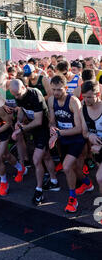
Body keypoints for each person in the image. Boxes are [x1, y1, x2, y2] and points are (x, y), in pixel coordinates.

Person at [10, 79, 58, 206]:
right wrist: (18, 121)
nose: (16, 97)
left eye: (18, 94)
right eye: (14, 95)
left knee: (36, 160)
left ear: (25, 87)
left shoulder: (35, 94)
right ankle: (54, 181)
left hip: (43, 128)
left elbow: (38, 121)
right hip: (35, 129)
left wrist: (20, 129)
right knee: (46, 156)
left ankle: (39, 189)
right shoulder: (18, 95)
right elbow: (21, 109)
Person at [48, 75, 86, 213]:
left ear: (66, 88)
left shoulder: (73, 101)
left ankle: (72, 199)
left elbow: (79, 128)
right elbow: (52, 120)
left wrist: (58, 134)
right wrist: (52, 130)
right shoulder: (52, 100)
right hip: (63, 139)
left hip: (76, 139)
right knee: (74, 169)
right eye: (53, 89)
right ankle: (87, 184)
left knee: (67, 166)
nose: (56, 92)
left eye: (59, 89)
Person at [80, 80, 102, 196]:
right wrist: (90, 135)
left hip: (100, 149)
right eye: (84, 97)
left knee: (100, 178)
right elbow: (84, 132)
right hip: (97, 152)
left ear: (98, 95)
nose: (85, 100)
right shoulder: (83, 109)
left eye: (89, 97)